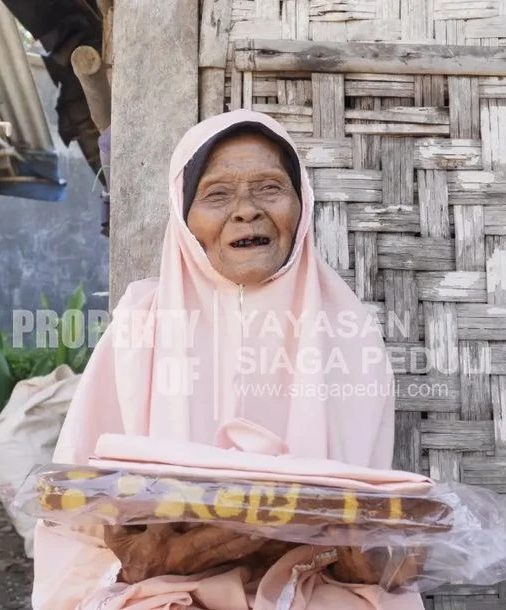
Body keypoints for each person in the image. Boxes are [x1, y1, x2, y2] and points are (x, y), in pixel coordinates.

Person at [31, 109, 425, 609]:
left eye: (268, 188)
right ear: (184, 216)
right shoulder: (141, 324)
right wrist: (149, 559)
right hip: (163, 589)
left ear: (301, 207)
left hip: (308, 588)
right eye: (217, 195)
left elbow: (358, 519)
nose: (246, 211)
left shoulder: (348, 332)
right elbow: (78, 516)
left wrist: (345, 550)